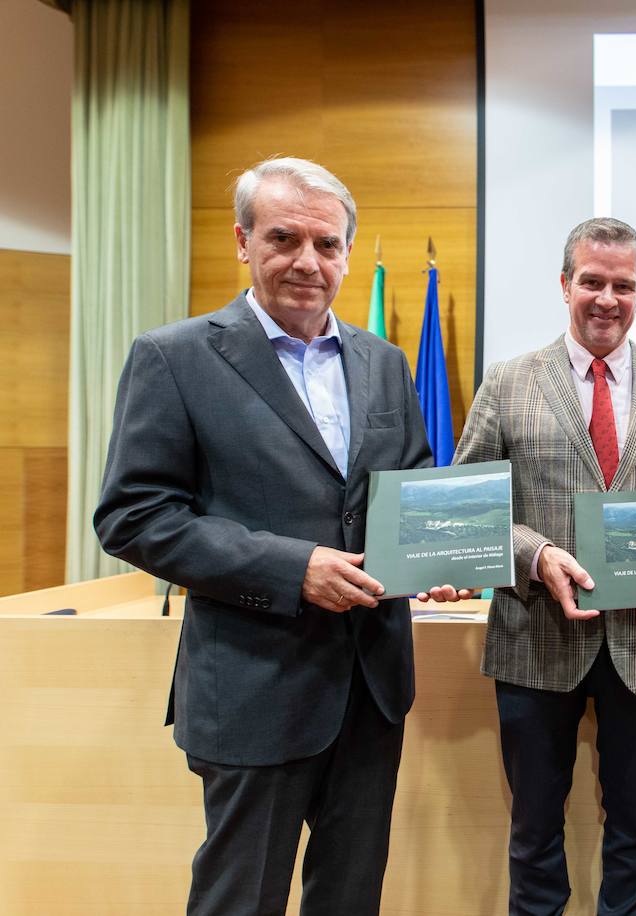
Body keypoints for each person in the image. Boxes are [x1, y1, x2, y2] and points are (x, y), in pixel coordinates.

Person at [94, 156, 458, 915]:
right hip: (253, 688)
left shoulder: (385, 364)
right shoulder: (176, 357)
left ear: (348, 255)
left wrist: (432, 555)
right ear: (242, 240)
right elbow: (133, 516)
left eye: (327, 245)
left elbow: (411, 491)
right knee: (240, 901)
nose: (307, 262)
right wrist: (294, 568)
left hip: (371, 689)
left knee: (349, 898)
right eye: (284, 238)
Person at [452, 217, 636, 916]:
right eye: (591, 282)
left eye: (622, 285)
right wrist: (535, 554)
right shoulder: (508, 383)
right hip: (535, 638)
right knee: (535, 829)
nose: (606, 298)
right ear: (564, 284)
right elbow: (467, 506)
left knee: (634, 825)